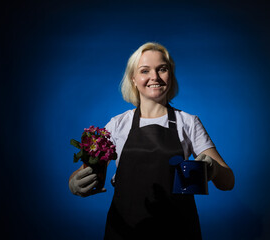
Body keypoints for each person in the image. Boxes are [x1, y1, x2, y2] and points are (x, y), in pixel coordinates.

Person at [69, 42, 235, 240]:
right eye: (145, 70)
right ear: (133, 79)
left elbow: (228, 182)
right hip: (124, 231)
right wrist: (74, 183)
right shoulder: (118, 124)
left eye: (162, 69)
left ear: (170, 75)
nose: (154, 77)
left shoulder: (188, 122)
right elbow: (91, 170)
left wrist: (214, 169)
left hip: (178, 230)